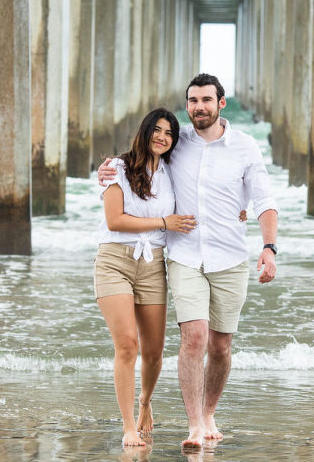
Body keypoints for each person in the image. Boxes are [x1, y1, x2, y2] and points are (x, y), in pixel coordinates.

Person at [99, 74, 278, 448]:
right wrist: (105, 170)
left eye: (206, 100)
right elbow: (137, 162)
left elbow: (262, 198)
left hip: (229, 255)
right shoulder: (177, 146)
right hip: (183, 255)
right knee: (193, 338)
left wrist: (268, 246)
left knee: (221, 345)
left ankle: (209, 412)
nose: (199, 107)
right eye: (193, 100)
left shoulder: (244, 147)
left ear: (221, 103)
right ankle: (194, 424)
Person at [94, 108, 197, 446]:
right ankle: (127, 427)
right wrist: (164, 223)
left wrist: (242, 207)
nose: (162, 137)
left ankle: (145, 403)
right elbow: (115, 221)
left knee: (153, 353)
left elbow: (206, 190)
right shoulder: (118, 168)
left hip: (153, 265)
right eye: (157, 129)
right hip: (114, 261)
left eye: (169, 133)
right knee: (127, 344)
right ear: (145, 130)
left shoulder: (173, 172)